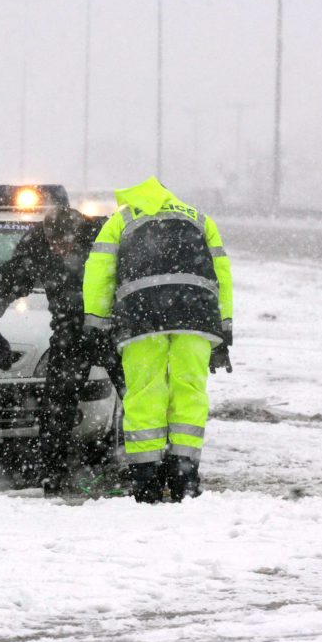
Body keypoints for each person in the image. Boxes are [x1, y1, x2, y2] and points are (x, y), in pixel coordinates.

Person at [82, 177, 233, 503]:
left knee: (144, 392)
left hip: (140, 321)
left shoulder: (120, 221)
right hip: (196, 319)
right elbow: (222, 274)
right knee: (190, 392)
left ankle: (147, 478)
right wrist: (224, 328)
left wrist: (95, 324)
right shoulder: (198, 218)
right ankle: (184, 475)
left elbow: (99, 273)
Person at [0, 205, 123, 496]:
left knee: (139, 397)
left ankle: (154, 466)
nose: (60, 250)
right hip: (70, 332)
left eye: (66, 244)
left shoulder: (102, 235)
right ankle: (54, 476)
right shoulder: (37, 244)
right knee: (56, 407)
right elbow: (12, 277)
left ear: (78, 234)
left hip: (112, 330)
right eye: (54, 245)